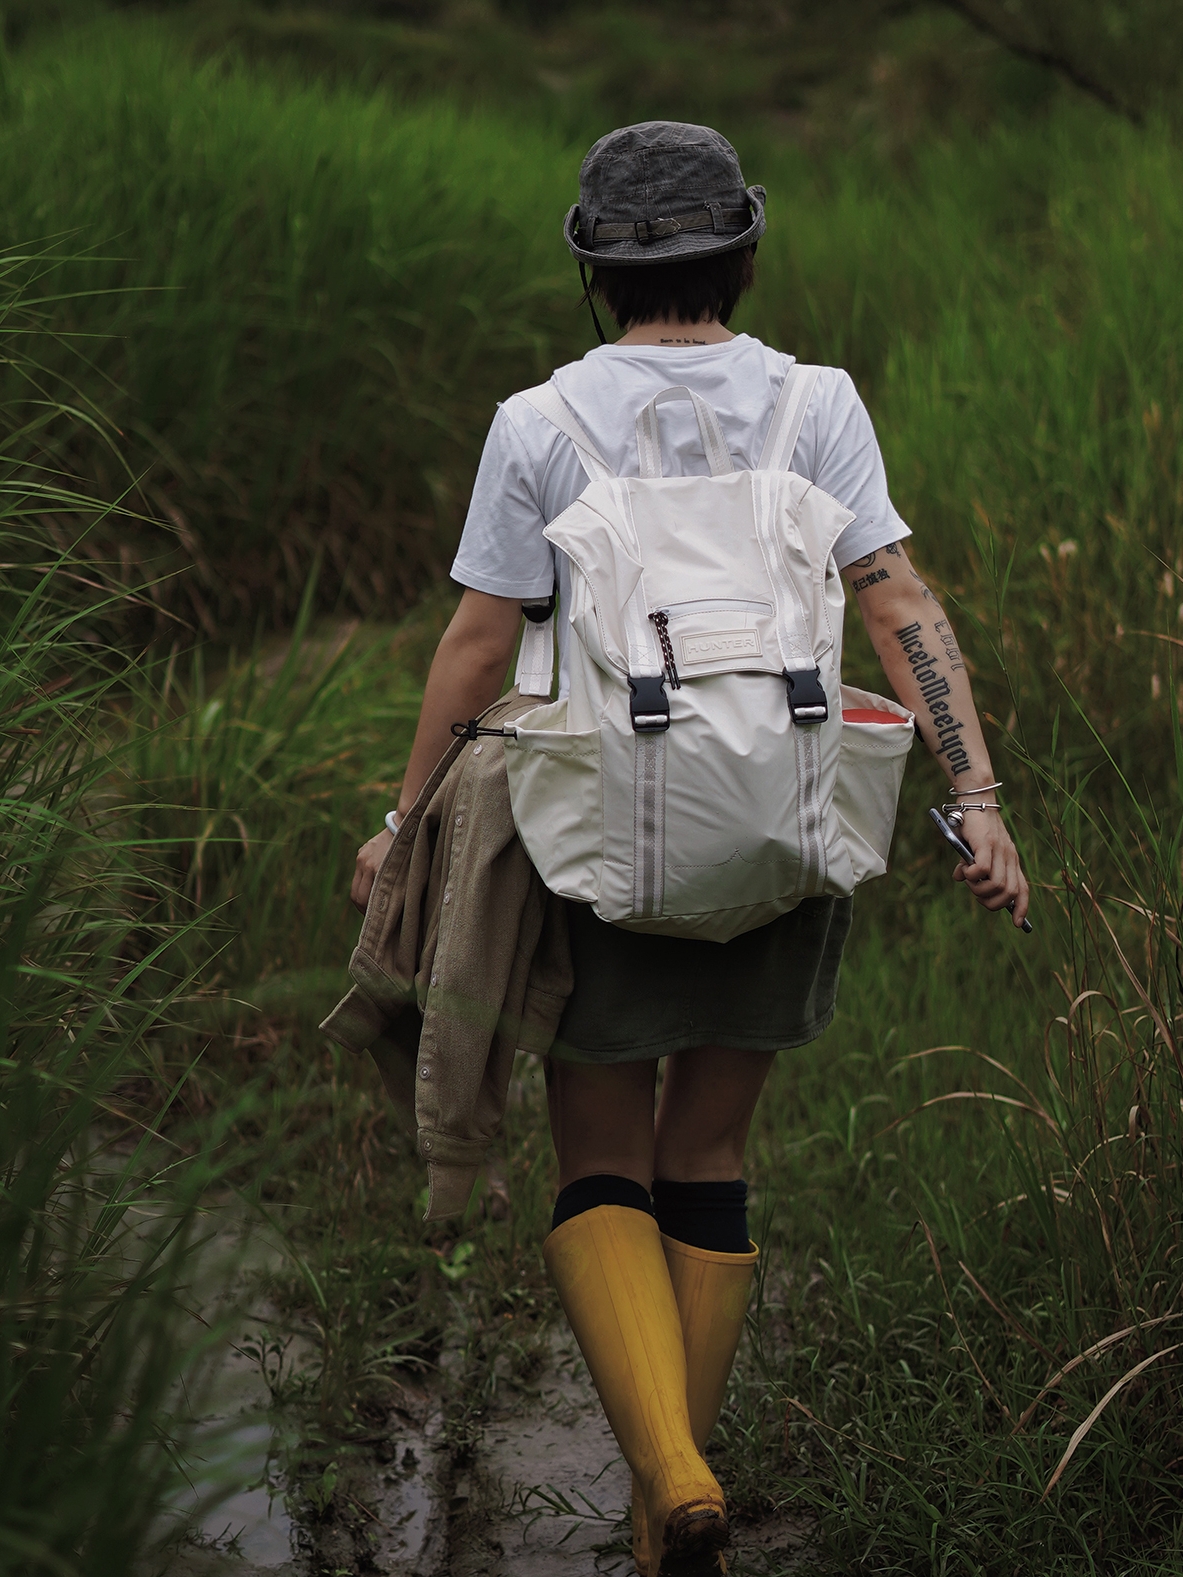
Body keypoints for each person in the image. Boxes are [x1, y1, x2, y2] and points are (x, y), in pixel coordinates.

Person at [351, 122, 1028, 1577]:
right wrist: (978, 796)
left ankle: (670, 1472)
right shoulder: (818, 403)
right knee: (711, 1148)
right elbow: (898, 598)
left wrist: (403, 827)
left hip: (604, 841)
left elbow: (478, 644)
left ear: (596, 272)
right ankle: (676, 1515)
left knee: (601, 1153)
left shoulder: (542, 422)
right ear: (747, 254)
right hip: (788, 832)